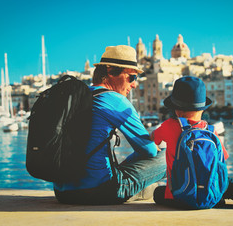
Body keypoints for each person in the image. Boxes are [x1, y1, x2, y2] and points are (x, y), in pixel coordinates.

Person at [54, 45, 166, 205]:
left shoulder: (79, 97)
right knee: (170, 155)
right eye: (131, 77)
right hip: (99, 191)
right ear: (111, 72)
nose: (134, 84)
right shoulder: (115, 100)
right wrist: (155, 147)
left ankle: (141, 190)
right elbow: (147, 150)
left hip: (62, 192)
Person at [151, 76, 233, 209]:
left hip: (180, 197)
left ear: (176, 109)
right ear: (203, 109)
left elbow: (152, 138)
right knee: (227, 182)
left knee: (158, 193)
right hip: (210, 194)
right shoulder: (211, 131)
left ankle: (213, 199)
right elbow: (222, 160)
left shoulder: (168, 126)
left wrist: (155, 144)